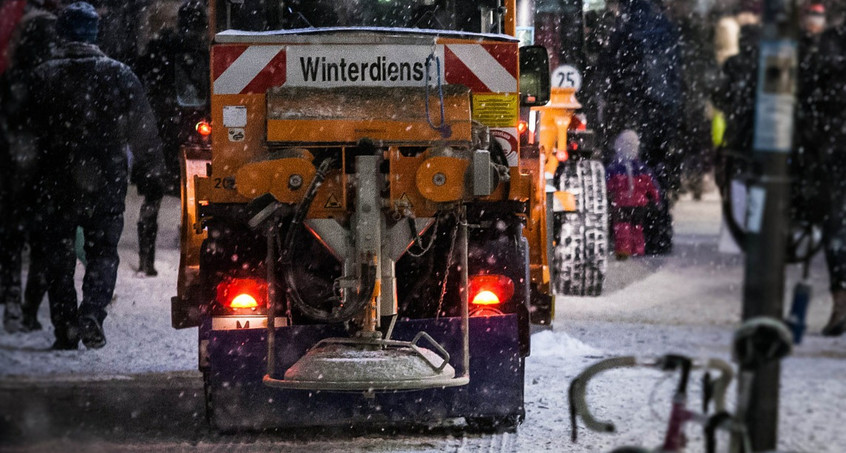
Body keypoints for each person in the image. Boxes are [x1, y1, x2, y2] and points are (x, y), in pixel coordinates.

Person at [28, 2, 165, 349]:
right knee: (103, 251)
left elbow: (21, 134)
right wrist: (152, 173)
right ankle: (91, 312)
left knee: (58, 255)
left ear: (62, 33)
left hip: (53, 182)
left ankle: (65, 328)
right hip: (106, 180)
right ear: (94, 34)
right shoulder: (119, 74)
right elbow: (143, 130)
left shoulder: (42, 76)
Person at [133, 0, 209, 276]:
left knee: (152, 199)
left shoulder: (157, 49)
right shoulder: (204, 51)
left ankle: (146, 261)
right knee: (200, 196)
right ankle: (199, 256)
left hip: (155, 132)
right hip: (193, 133)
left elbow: (138, 79)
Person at [600, 0, 682, 254]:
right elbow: (675, 71)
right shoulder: (664, 27)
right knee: (655, 176)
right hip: (663, 110)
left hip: (635, 107)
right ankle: (657, 234)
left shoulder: (626, 29)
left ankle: (626, 232)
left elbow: (614, 68)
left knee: (627, 172)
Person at [0, 0, 59, 333]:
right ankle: (28, 310)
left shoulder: (12, 77)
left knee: (11, 242)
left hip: (13, 173)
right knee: (42, 246)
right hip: (45, 176)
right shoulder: (53, 77)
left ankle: (11, 301)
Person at [813, 14, 846, 336]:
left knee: (836, 225)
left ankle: (841, 299)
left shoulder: (831, 42)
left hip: (834, 144)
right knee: (835, 224)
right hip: (835, 146)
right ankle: (840, 298)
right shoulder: (832, 42)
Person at [606, 130, 661, 259]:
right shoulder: (642, 168)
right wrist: (657, 200)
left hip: (621, 204)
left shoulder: (614, 169)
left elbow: (607, 185)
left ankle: (624, 252)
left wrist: (608, 195)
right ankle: (637, 251)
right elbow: (653, 187)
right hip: (638, 204)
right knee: (636, 228)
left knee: (623, 228)